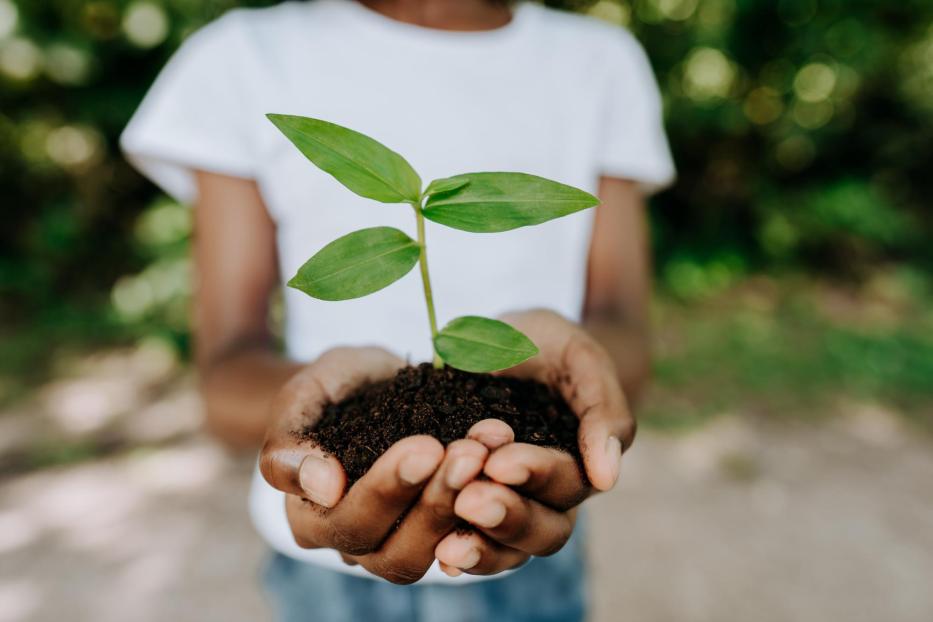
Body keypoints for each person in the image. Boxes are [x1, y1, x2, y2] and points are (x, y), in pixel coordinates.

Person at [122, 0, 674, 620]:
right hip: (325, 575)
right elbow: (226, 374)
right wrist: (323, 419)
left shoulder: (599, 61)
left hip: (529, 548)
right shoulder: (242, 57)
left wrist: (576, 369)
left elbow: (622, 331)